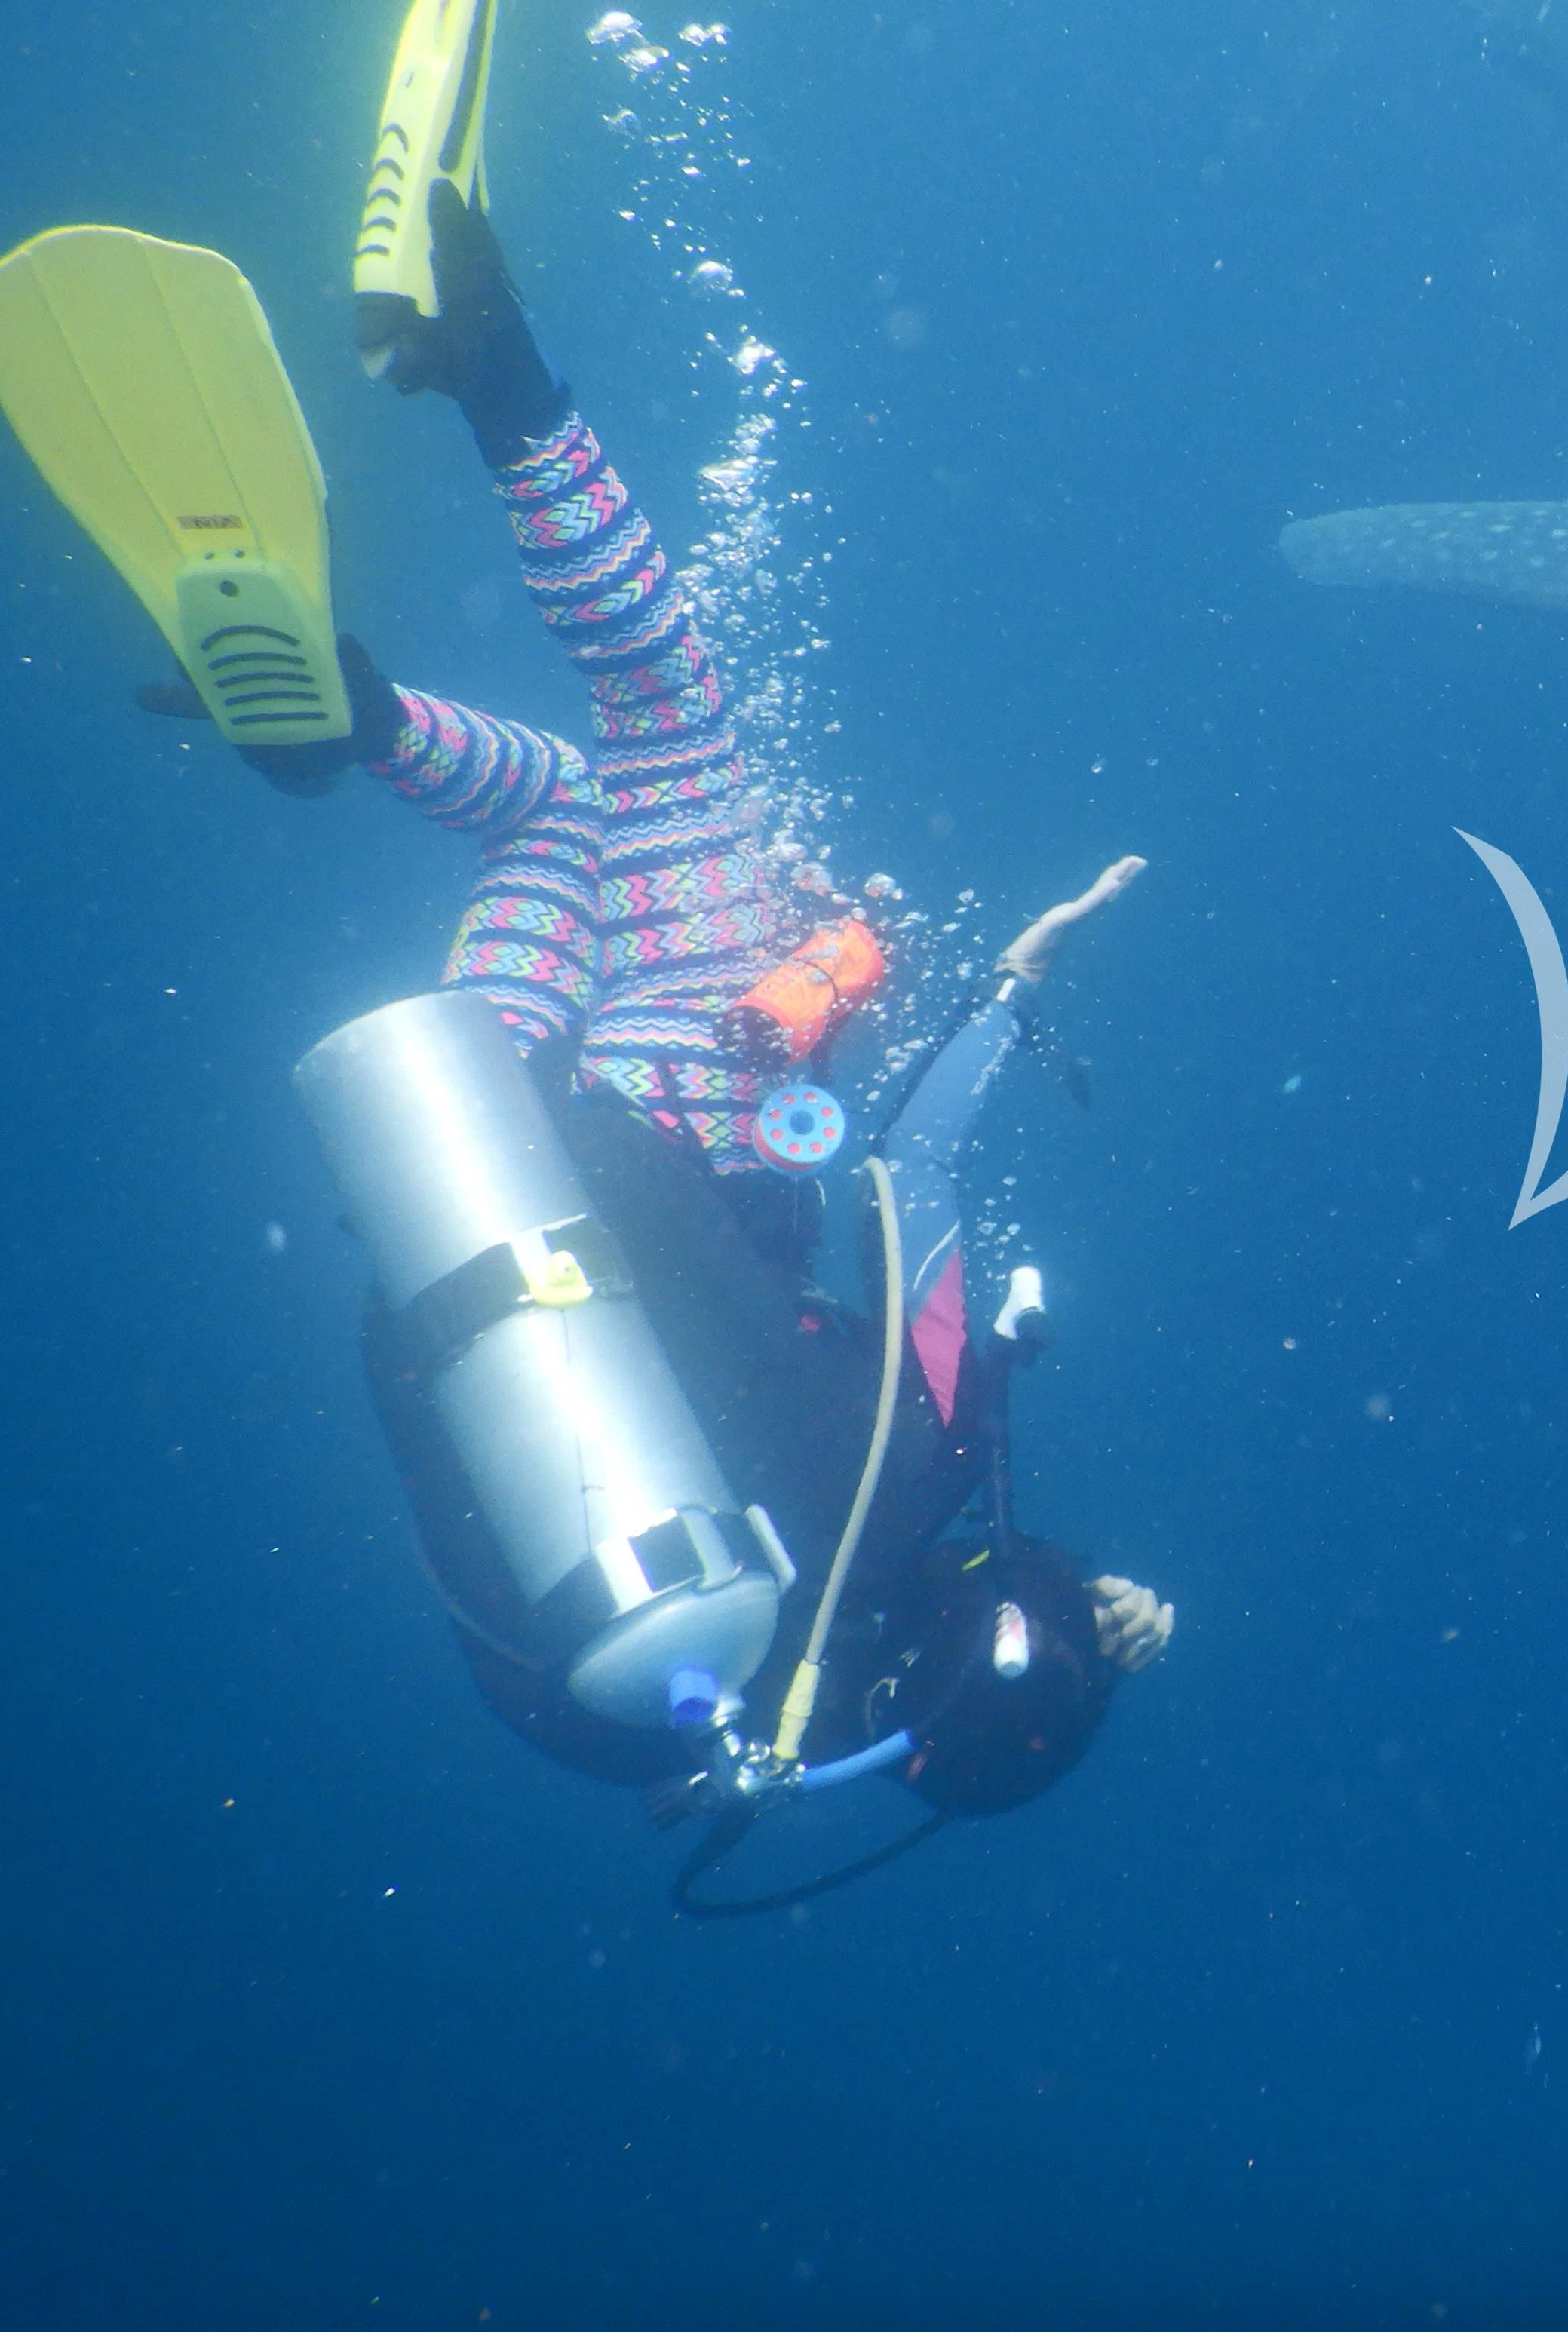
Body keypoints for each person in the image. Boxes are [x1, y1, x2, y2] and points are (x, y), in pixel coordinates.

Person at [321, 185, 1173, 1907]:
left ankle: (498, 377)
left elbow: (916, 1170)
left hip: (644, 1138)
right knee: (563, 813)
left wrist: (1009, 994)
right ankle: (353, 717)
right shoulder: (718, 1694)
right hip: (463, 1192)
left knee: (676, 719)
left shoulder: (924, 1460)